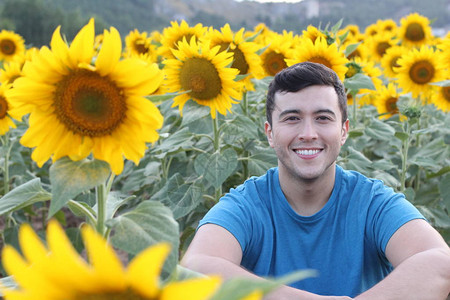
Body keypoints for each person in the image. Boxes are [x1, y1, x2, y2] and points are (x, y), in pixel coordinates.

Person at [180, 62, 450, 299]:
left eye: (322, 118)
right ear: (270, 133)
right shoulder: (247, 205)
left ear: (343, 131)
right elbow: (196, 267)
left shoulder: (371, 203)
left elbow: (441, 264)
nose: (308, 133)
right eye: (292, 118)